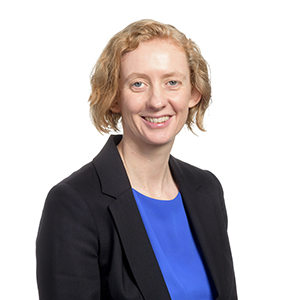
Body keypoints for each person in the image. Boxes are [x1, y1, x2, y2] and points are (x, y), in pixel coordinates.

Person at [36, 19, 237, 300]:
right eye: (138, 84)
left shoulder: (207, 189)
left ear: (193, 93)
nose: (157, 101)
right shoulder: (73, 204)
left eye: (172, 82)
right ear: (114, 97)